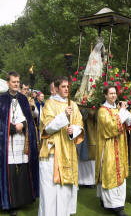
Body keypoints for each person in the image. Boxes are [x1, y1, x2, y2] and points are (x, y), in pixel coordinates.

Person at [38, 76, 84, 216]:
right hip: (52, 153)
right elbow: (47, 128)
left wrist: (73, 131)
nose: (66, 89)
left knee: (65, 190)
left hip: (68, 152)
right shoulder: (49, 104)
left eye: (68, 87)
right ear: (56, 89)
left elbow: (80, 125)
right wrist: (64, 116)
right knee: (50, 190)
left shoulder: (73, 105)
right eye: (63, 87)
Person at [0, 71, 39, 216]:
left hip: (22, 141)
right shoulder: (2, 99)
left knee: (22, 170)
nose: (16, 84)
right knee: (9, 172)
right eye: (14, 82)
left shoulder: (23, 99)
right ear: (8, 83)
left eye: (18, 82)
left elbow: (29, 119)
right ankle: (10, 204)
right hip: (7, 142)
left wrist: (23, 124)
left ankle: (22, 200)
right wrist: (11, 127)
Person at [96, 85, 131, 216]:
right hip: (109, 146)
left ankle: (116, 203)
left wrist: (126, 112)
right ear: (105, 95)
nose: (113, 96)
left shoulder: (117, 109)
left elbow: (130, 123)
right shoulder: (102, 110)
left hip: (121, 146)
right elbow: (111, 128)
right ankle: (115, 206)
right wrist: (122, 111)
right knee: (110, 172)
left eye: (115, 93)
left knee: (120, 172)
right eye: (111, 93)